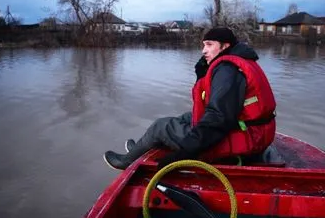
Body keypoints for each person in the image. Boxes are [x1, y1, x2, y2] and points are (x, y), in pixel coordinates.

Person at [104, 27, 276, 170]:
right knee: (187, 117)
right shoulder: (240, 61)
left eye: (209, 45)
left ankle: (126, 162)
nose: (204, 50)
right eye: (203, 45)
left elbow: (218, 118)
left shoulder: (227, 70)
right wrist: (203, 72)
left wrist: (183, 153)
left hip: (244, 142)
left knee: (161, 126)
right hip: (252, 133)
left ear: (224, 46)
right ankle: (143, 148)